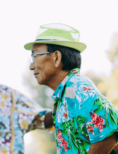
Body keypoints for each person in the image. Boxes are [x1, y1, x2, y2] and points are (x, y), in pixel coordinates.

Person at [24, 23, 118, 154]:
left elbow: (110, 129)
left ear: (56, 57)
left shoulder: (78, 88)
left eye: (34, 56)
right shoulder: (64, 95)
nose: (31, 66)